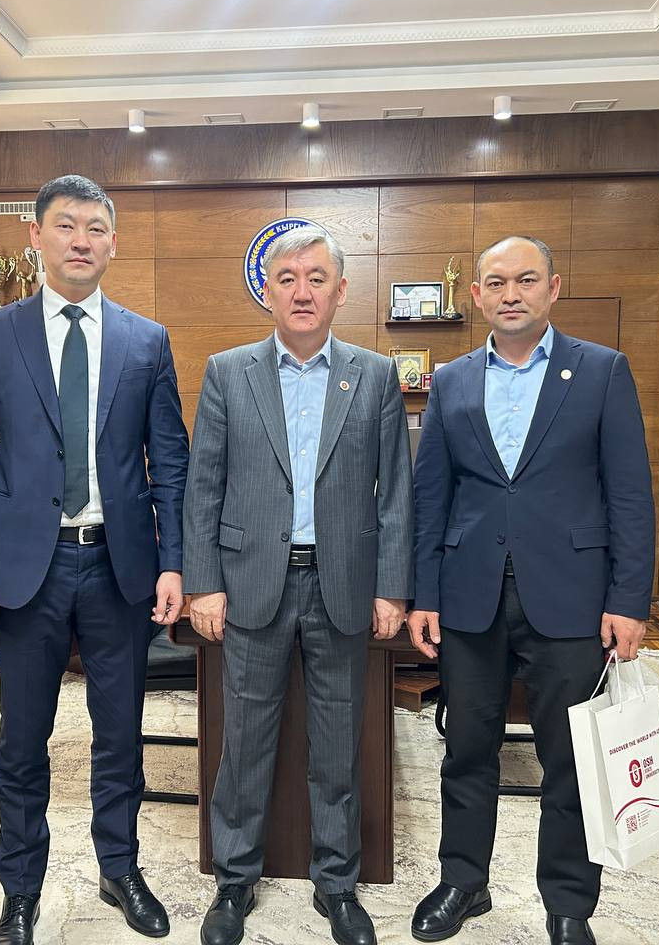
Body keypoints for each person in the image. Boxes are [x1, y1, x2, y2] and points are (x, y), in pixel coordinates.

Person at [0, 175, 188, 945]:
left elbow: (169, 461)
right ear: (36, 237)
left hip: (120, 568)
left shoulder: (146, 340)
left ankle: (121, 869)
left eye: (95, 228)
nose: (81, 240)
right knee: (23, 741)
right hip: (25, 571)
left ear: (113, 242)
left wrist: (174, 562)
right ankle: (20, 891)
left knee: (120, 734)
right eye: (66, 225)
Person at [407, 236, 655, 945]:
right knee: (466, 748)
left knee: (570, 761)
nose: (510, 293)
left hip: (573, 598)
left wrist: (629, 600)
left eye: (525, 279)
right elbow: (432, 497)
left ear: (553, 288)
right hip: (469, 595)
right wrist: (425, 595)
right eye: (495, 282)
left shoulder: (602, 371)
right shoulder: (452, 380)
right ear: (476, 296)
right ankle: (462, 882)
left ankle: (569, 904)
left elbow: (629, 495)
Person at [183, 226, 414, 945]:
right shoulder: (228, 372)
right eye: (287, 278)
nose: (303, 291)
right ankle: (233, 881)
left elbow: (395, 495)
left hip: (342, 584)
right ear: (268, 291)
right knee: (244, 741)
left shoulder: (374, 375)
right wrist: (203, 583)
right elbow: (203, 486)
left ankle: (337, 884)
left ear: (341, 291)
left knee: (338, 742)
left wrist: (392, 588)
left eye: (317, 278)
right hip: (251, 582)